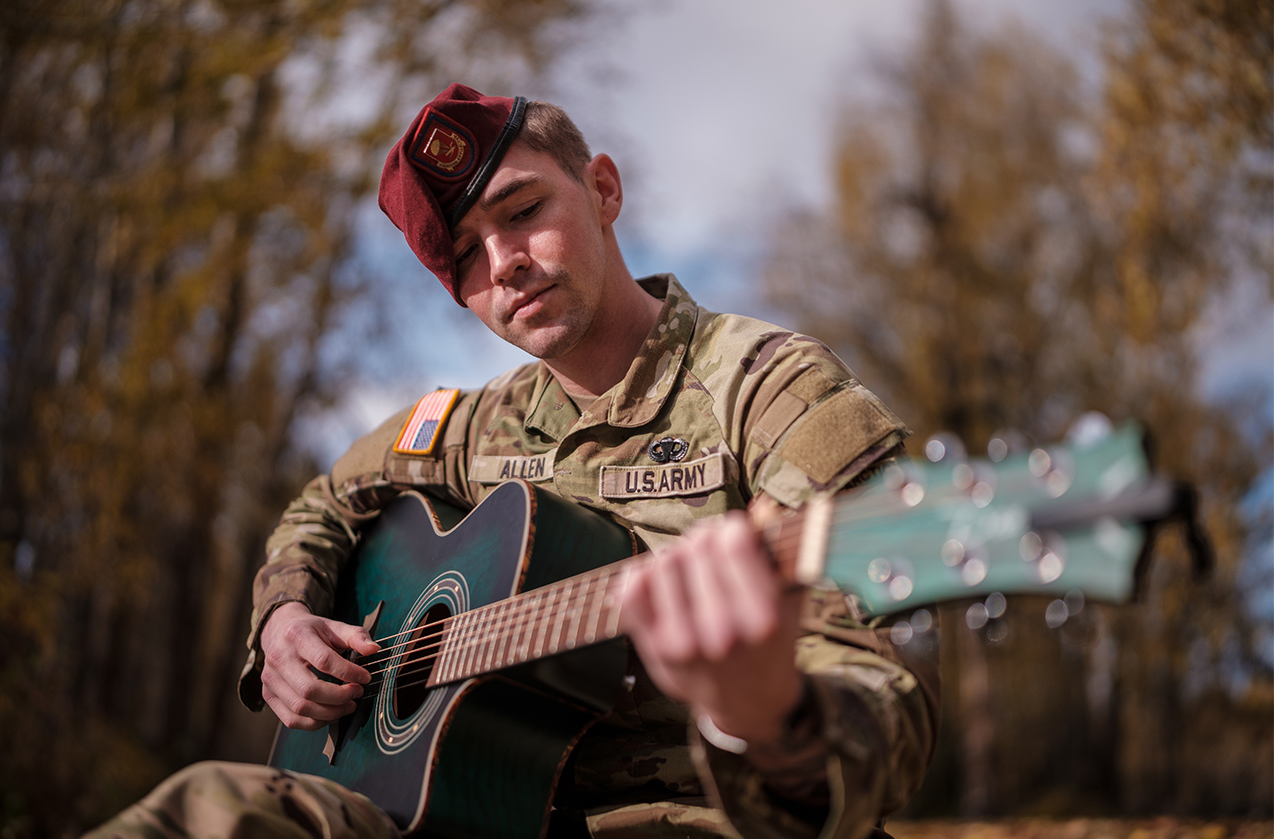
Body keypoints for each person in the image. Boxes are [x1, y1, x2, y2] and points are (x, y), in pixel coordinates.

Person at [87, 83, 939, 839]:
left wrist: (766, 714)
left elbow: (884, 727)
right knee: (204, 810)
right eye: (465, 255)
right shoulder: (469, 428)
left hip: (700, 819)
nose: (505, 263)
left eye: (523, 210)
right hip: (458, 811)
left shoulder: (768, 390)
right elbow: (323, 502)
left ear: (602, 189)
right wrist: (282, 623)